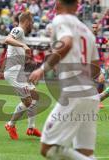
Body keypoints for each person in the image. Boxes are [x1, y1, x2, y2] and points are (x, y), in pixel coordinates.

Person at [29, 0, 100, 159]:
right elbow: (96, 67)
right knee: (85, 152)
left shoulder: (60, 20)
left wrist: (42, 69)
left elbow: (67, 43)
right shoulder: (88, 32)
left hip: (73, 93)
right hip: (91, 94)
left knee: (48, 148)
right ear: (77, 6)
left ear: (57, 5)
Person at [4, 11, 41, 140]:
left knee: (35, 95)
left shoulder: (22, 34)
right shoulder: (18, 29)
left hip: (18, 71)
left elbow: (19, 57)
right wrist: (23, 45)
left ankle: (31, 128)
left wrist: (30, 62)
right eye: (32, 22)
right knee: (28, 101)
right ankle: (10, 125)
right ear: (27, 21)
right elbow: (7, 39)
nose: (33, 24)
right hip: (13, 72)